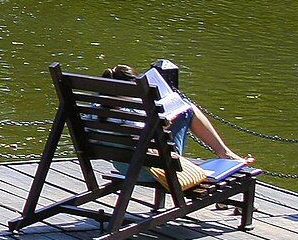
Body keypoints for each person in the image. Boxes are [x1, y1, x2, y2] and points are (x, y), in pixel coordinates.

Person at [103, 63, 254, 168]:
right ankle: (224, 153)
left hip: (121, 166)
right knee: (187, 109)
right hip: (150, 169)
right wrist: (163, 124)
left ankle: (224, 154)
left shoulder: (95, 108)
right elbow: (148, 144)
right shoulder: (132, 114)